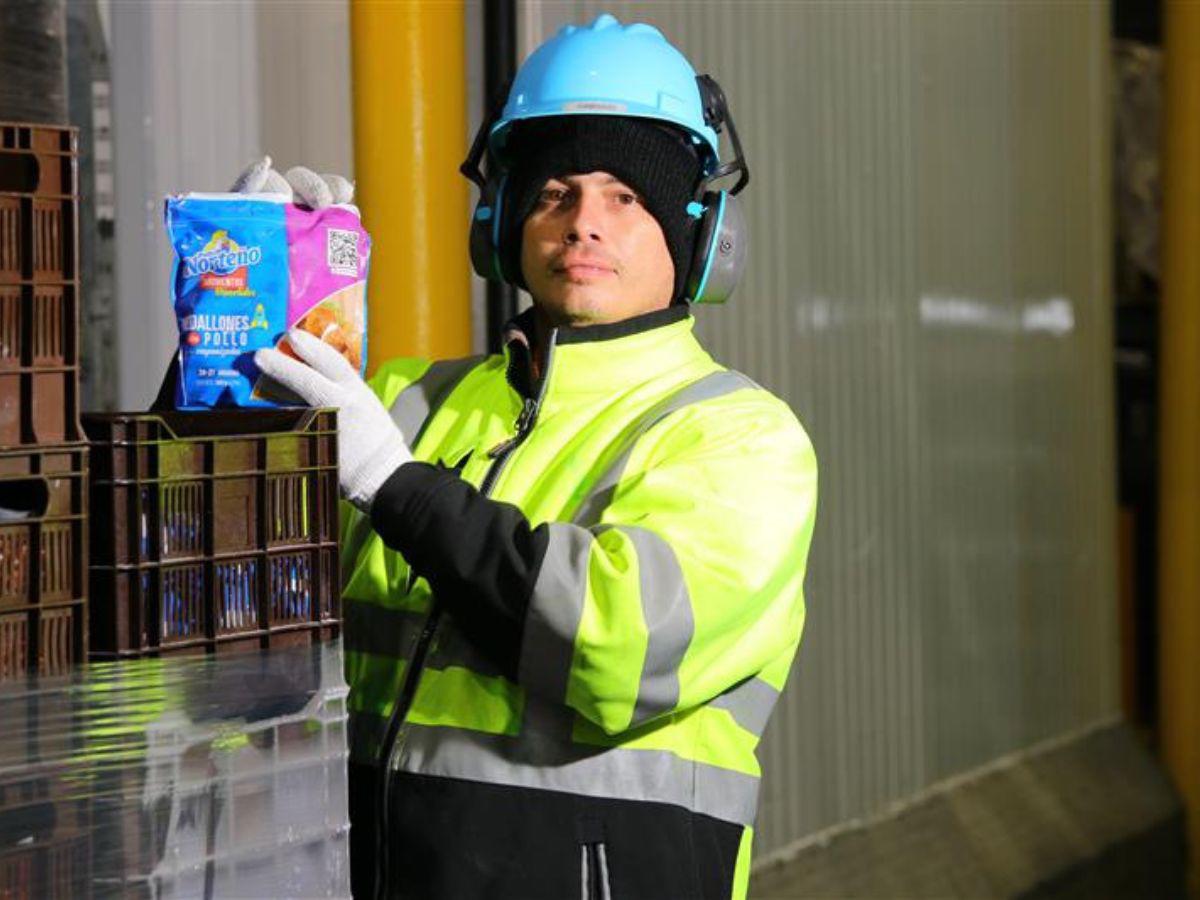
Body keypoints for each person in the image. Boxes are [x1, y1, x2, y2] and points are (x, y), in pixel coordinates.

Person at [252, 13, 817, 900]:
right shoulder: (404, 401)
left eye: (626, 197)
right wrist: (236, 320)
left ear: (702, 236)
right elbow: (215, 580)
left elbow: (614, 650)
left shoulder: (738, 438)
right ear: (504, 221)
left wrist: (397, 487)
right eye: (555, 191)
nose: (584, 223)